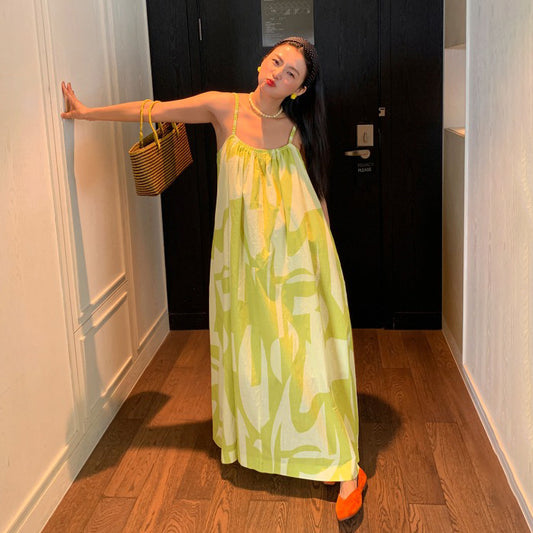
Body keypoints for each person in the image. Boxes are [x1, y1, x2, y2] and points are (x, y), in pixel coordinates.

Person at [61, 36, 366, 522]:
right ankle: (274, 443)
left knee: (306, 355)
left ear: (299, 90)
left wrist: (328, 262)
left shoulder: (297, 131)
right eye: (276, 61)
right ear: (263, 60)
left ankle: (344, 465)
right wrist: (86, 114)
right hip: (241, 263)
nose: (277, 72)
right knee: (253, 356)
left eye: (290, 73)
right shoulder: (223, 107)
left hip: (296, 263)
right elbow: (153, 110)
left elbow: (316, 196)